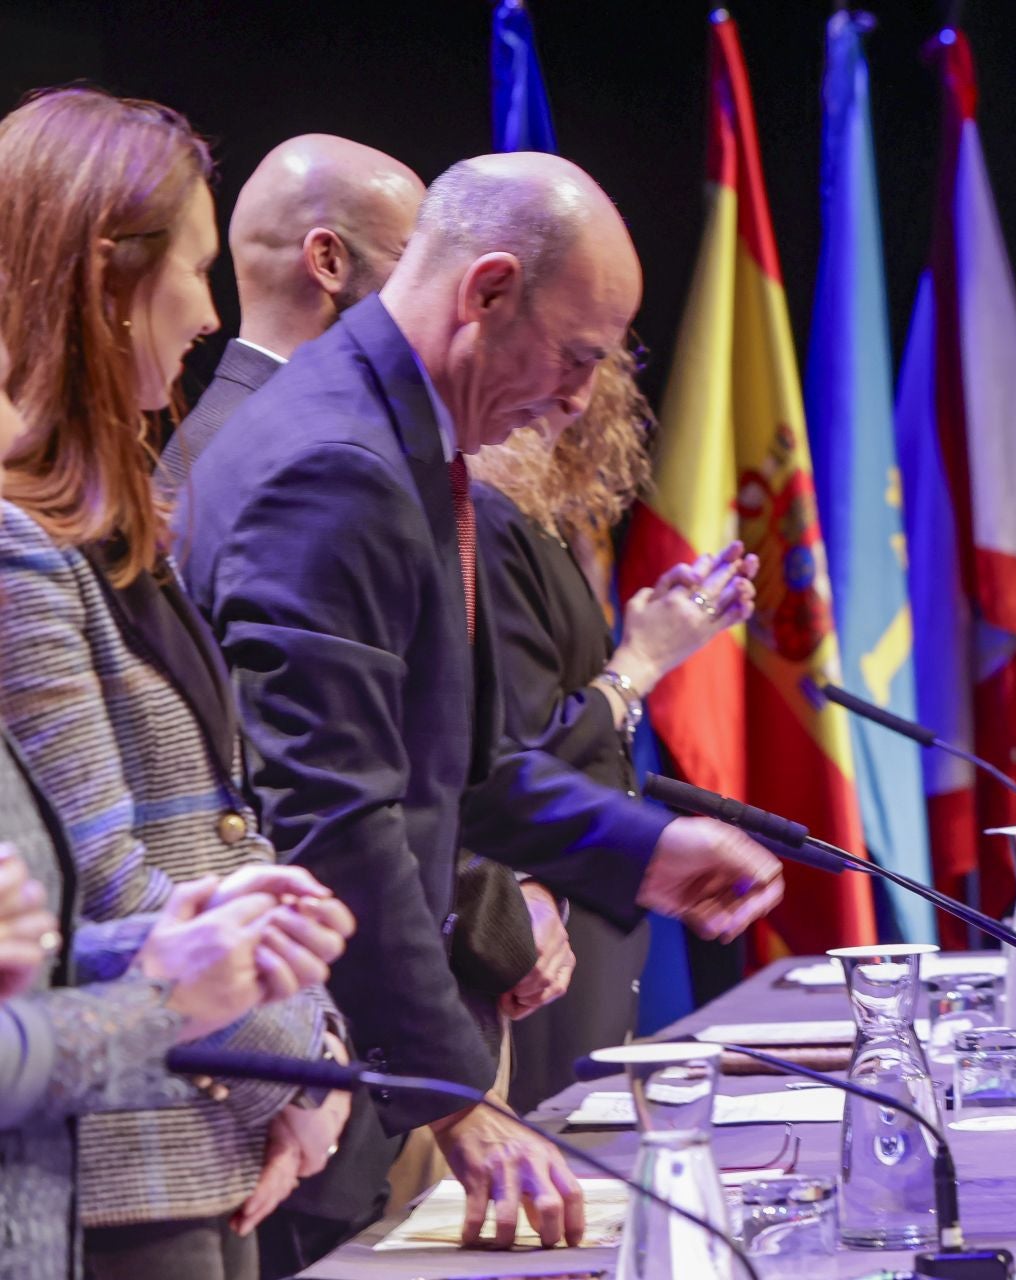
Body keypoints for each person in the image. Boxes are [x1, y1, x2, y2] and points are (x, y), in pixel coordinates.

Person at [176, 152, 784, 1267]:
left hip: (353, 1049)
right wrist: (453, 1091)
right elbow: (332, 816)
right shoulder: (338, 462)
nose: (581, 397)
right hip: (300, 1079)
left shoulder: (401, 438)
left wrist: (646, 846)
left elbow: (470, 767)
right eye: (579, 355)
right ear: (488, 289)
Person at [0, 88, 358, 1280]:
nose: (209, 313)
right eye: (193, 272)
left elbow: (223, 852)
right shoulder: (15, 547)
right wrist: (307, 1059)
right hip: (118, 1169)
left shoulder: (113, 526)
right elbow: (102, 885)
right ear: (105, 276)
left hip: (207, 1132)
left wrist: (316, 1054)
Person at [468, 349, 755, 1109]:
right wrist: (642, 661)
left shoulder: (537, 512)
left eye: (605, 356)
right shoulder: (482, 517)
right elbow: (511, 763)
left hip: (586, 920)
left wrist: (649, 642)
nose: (586, 392)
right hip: (526, 933)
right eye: (569, 353)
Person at [155, 134, 424, 500]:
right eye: (410, 259)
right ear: (328, 260)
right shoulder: (287, 457)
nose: (426, 286)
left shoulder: (259, 436)